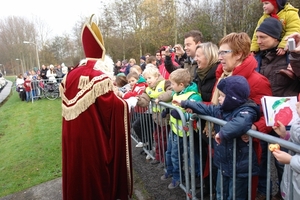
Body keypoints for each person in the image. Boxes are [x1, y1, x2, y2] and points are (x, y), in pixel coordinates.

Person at [60, 16, 132, 200]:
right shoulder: (99, 77)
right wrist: (126, 102)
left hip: (71, 136)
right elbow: (112, 108)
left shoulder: (72, 74)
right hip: (92, 138)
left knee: (75, 170)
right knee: (94, 175)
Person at [173, 75, 261, 199]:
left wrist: (222, 133)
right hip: (223, 163)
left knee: (235, 196)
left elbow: (241, 122)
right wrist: (185, 103)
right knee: (221, 194)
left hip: (239, 167)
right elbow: (206, 108)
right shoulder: (222, 109)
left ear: (233, 98)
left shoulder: (247, 110)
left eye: (222, 96)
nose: (218, 98)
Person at [214, 32, 273, 200]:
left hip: (244, 153)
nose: (219, 57)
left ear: (239, 54)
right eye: (219, 53)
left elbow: (270, 116)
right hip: (224, 148)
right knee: (222, 192)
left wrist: (254, 127)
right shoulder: (224, 77)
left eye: (223, 52)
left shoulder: (257, 81)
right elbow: (217, 107)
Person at [254, 17, 300, 200]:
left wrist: (295, 55)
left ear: (275, 37)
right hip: (266, 118)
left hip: (286, 121)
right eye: (257, 37)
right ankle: (265, 191)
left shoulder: (288, 57)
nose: (258, 41)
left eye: (263, 37)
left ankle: (284, 195)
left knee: (284, 162)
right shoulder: (260, 58)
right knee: (263, 157)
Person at [160, 68, 202, 189]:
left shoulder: (194, 96)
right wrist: (167, 110)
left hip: (186, 132)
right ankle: (172, 171)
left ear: (181, 84)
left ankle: (179, 177)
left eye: (173, 84)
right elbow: (173, 103)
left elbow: (196, 114)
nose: (171, 87)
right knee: (170, 153)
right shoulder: (176, 93)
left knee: (181, 156)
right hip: (174, 129)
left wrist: (182, 115)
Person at [193, 42, 220, 198]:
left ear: (209, 56)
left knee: (213, 160)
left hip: (212, 125)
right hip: (201, 124)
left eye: (198, 55)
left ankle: (214, 189)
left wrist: (196, 105)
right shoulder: (199, 74)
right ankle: (207, 186)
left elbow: (215, 102)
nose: (195, 59)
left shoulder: (217, 73)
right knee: (204, 158)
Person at [137, 66, 172, 164]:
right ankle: (158, 157)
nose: (147, 80)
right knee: (157, 137)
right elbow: (144, 100)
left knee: (164, 139)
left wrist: (160, 98)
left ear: (156, 76)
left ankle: (164, 160)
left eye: (149, 78)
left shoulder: (165, 83)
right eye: (146, 78)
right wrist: (138, 100)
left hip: (166, 118)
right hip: (157, 119)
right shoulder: (148, 89)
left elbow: (171, 92)